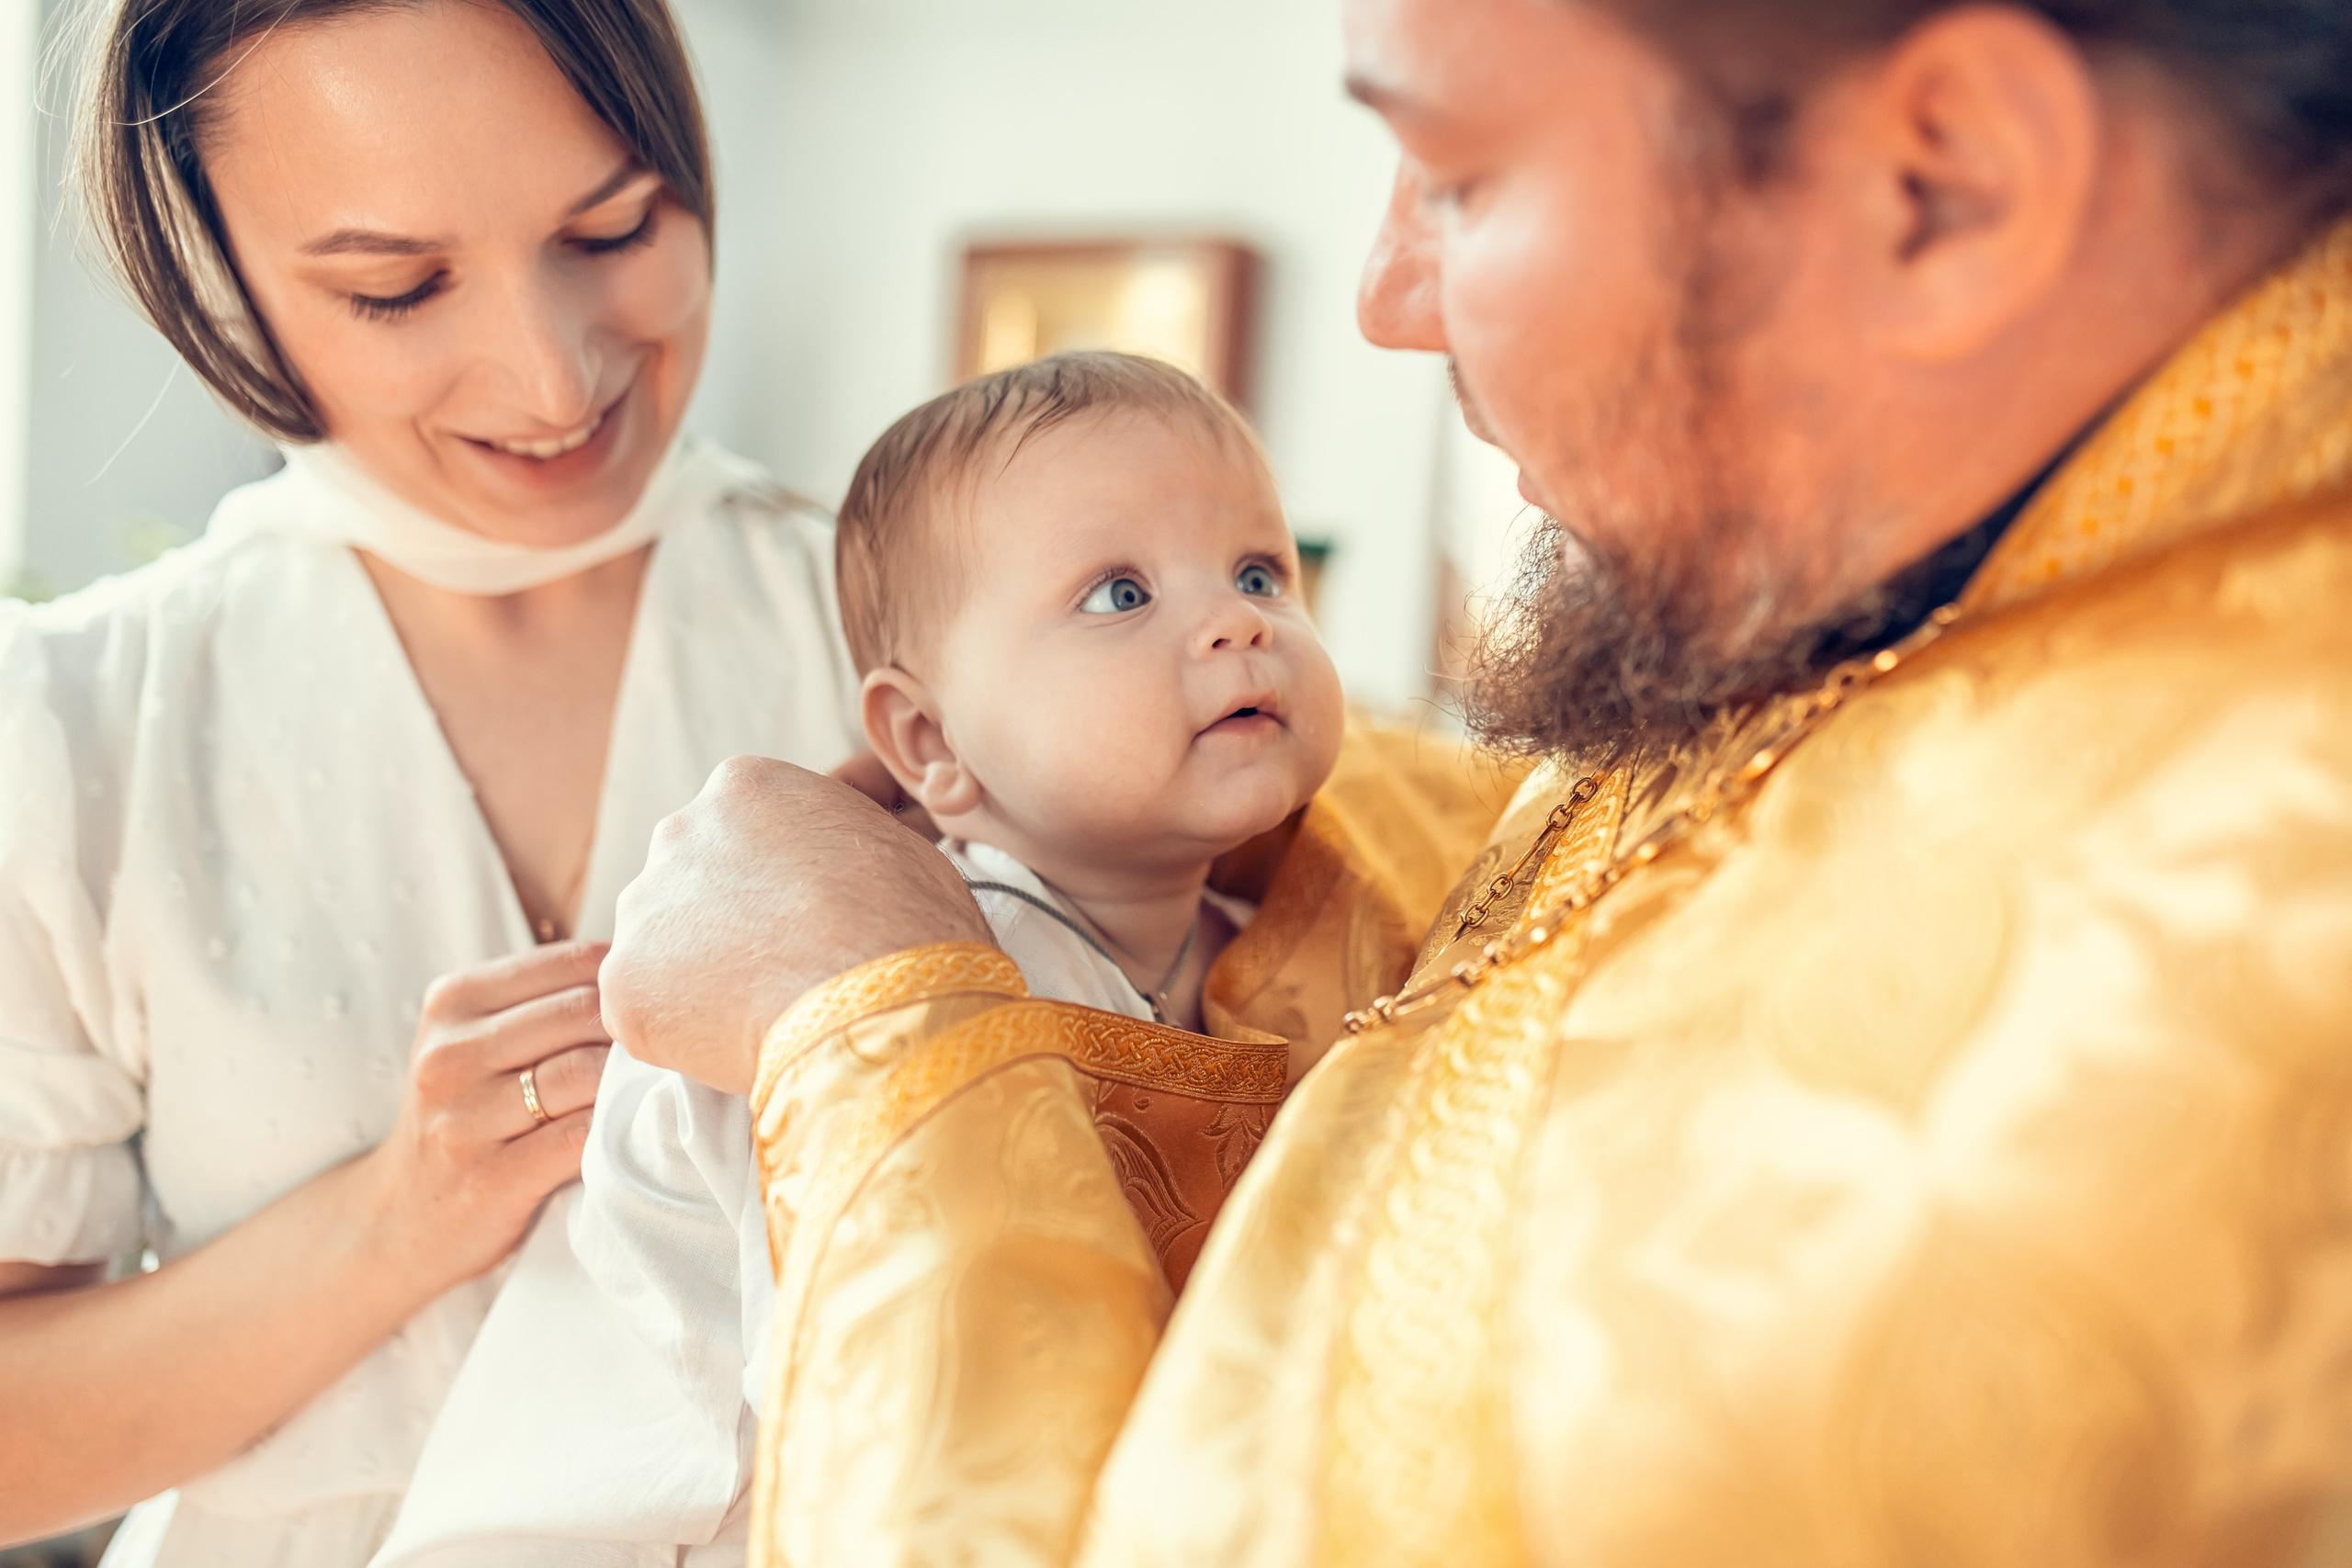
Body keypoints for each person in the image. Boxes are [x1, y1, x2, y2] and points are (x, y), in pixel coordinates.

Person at [600, 0, 2352, 1562]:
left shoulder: (2234, 937)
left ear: (1946, 182)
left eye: (1456, 172)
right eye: (1120, 596)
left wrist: (870, 1022)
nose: (1384, 299)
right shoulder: (1945, 572)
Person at [368, 351, 1515, 1564]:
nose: (1236, 622)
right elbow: (856, 1408)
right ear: (929, 740)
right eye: (1120, 595)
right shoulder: (842, 1002)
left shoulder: (1303, 958)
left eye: (1258, 572)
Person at [0, 0, 860, 1562]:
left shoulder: (908, 637)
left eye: (613, 229)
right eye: (396, 290)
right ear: (215, 282)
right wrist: (400, 1215)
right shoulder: (73, 726)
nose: (550, 379)